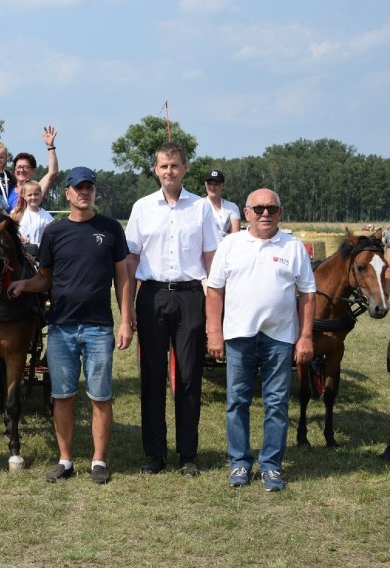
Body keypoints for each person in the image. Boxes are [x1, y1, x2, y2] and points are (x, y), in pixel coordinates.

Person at [8, 167, 134, 485]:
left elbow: (122, 277)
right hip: (62, 327)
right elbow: (45, 278)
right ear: (67, 193)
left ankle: (98, 461)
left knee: (100, 396)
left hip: (98, 328)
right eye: (78, 188)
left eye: (89, 188)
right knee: (62, 396)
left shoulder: (110, 229)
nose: (84, 193)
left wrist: (126, 322)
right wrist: (25, 285)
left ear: (94, 192)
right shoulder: (54, 232)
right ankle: (65, 461)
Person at [206, 188, 316, 491]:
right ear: (246, 213)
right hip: (240, 335)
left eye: (271, 208)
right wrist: (214, 331)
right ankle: (240, 463)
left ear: (280, 213)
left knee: (277, 403)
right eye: (258, 209)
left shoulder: (294, 247)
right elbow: (215, 291)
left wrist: (305, 336)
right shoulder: (230, 245)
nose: (265, 213)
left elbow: (308, 294)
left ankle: (271, 467)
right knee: (237, 401)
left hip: (279, 337)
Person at [124, 142, 219, 477]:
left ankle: (188, 454)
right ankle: (155, 453)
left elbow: (211, 258)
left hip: (191, 296)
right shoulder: (142, 207)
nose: (169, 172)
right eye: (163, 166)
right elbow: (131, 258)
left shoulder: (201, 208)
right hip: (151, 297)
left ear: (185, 168)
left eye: (175, 166)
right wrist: (128, 309)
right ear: (155, 169)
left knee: (190, 377)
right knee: (152, 377)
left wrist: (214, 308)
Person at [7, 126, 59, 210]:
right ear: (14, 169)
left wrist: (51, 147)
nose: (21, 170)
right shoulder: (8, 188)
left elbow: (52, 172)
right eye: (19, 167)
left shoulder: (36, 188)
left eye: (25, 167)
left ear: (33, 171)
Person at [10, 180, 53, 253]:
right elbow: (9, 232)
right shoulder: (15, 213)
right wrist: (19, 237)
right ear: (23, 196)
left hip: (38, 255)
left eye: (36, 194)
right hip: (19, 254)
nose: (33, 197)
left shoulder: (48, 218)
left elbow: (50, 241)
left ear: (40, 194)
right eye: (29, 195)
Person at [204, 169, 240, 239]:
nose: (212, 187)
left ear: (223, 185)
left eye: (216, 184)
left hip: (226, 247)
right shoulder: (199, 206)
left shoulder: (232, 207)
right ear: (205, 184)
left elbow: (235, 236)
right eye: (209, 184)